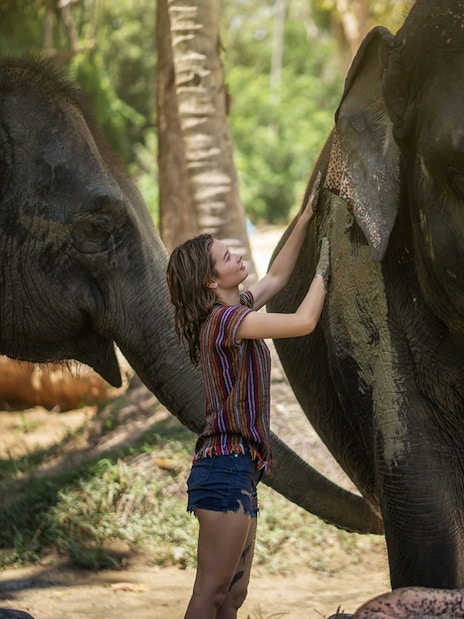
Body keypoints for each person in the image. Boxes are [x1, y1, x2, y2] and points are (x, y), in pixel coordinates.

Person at [166, 173, 329, 619]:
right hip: (223, 469)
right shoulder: (225, 323)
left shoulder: (235, 313)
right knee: (211, 593)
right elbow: (303, 322)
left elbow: (276, 276)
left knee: (232, 598)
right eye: (225, 256)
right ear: (208, 281)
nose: (236, 254)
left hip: (240, 469)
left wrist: (308, 217)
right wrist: (327, 268)